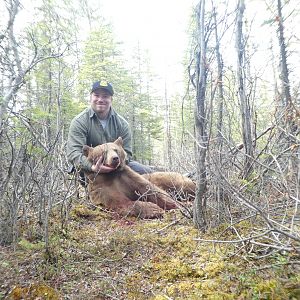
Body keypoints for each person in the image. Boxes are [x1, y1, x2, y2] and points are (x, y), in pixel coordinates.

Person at [67, 80, 153, 178]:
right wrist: (92, 167)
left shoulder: (122, 124)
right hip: (89, 169)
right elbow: (73, 153)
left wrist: (115, 165)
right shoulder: (80, 122)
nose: (100, 99)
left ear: (111, 99)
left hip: (117, 167)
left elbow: (127, 153)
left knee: (148, 173)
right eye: (96, 95)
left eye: (105, 96)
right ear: (90, 97)